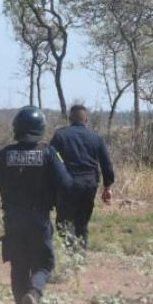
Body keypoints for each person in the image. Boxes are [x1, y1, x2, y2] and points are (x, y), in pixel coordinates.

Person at [0, 106, 73, 304]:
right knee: (45, 263)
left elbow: (1, 184)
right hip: (39, 218)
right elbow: (66, 184)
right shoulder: (48, 153)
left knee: (19, 266)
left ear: (16, 128)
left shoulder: (4, 154)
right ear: (41, 129)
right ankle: (33, 294)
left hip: (12, 219)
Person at [50, 104, 114, 248]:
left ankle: (70, 254)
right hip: (89, 184)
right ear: (86, 119)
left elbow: (50, 158)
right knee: (82, 222)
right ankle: (80, 255)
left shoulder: (61, 135)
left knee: (64, 222)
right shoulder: (96, 137)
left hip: (68, 184)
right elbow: (106, 163)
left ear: (70, 118)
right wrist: (108, 187)